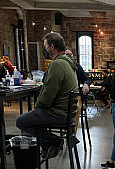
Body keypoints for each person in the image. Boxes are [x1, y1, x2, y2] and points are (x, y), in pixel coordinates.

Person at [15, 32, 78, 160]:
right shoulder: (67, 64)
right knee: (33, 118)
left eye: (45, 46)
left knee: (21, 121)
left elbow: (47, 97)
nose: (45, 49)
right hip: (66, 113)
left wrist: (37, 108)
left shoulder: (58, 65)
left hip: (59, 114)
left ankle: (54, 141)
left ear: (51, 47)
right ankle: (48, 144)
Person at [65, 46, 91, 133]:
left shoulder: (77, 66)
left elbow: (86, 78)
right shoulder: (57, 66)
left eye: (70, 55)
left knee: (75, 108)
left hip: (75, 95)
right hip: (62, 96)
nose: (69, 57)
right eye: (67, 55)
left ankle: (72, 132)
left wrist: (86, 84)